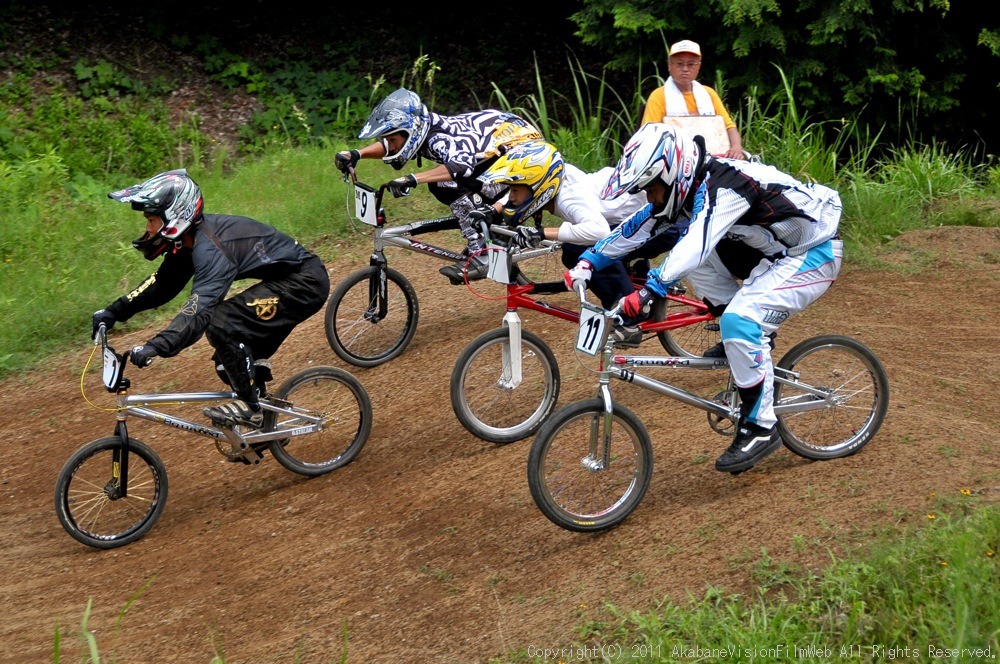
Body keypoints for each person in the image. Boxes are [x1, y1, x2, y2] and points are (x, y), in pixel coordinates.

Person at [565, 123, 843, 474]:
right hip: (771, 250)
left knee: (737, 317)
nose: (650, 197)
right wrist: (590, 260)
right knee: (698, 266)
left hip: (813, 253)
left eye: (651, 188)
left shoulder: (726, 184)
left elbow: (697, 242)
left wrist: (651, 289)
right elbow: (636, 228)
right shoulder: (684, 189)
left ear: (672, 172)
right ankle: (743, 343)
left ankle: (760, 427)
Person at [92, 169, 331, 429]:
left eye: (151, 220)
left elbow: (199, 309)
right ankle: (264, 422)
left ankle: (252, 410)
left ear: (175, 215)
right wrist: (114, 311)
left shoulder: (211, 249)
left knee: (220, 322)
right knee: (226, 364)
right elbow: (162, 285)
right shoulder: (188, 241)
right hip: (284, 280)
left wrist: (157, 345)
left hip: (305, 283)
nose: (147, 229)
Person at [334, 87, 542, 283]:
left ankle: (483, 252)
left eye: (393, 139)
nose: (391, 145)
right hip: (501, 156)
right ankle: (485, 229)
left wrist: (413, 179)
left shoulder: (437, 139)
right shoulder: (420, 130)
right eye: (389, 139)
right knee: (444, 182)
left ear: (410, 132)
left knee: (443, 184)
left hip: (523, 162)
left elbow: (462, 167)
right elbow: (390, 145)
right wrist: (357, 154)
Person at [639, 39, 745, 159]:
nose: (685, 69)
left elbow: (729, 126)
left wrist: (736, 148)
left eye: (690, 64)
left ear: (698, 66)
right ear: (669, 65)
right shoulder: (658, 96)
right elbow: (649, 134)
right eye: (679, 64)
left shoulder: (709, 94)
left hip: (715, 159)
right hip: (674, 162)